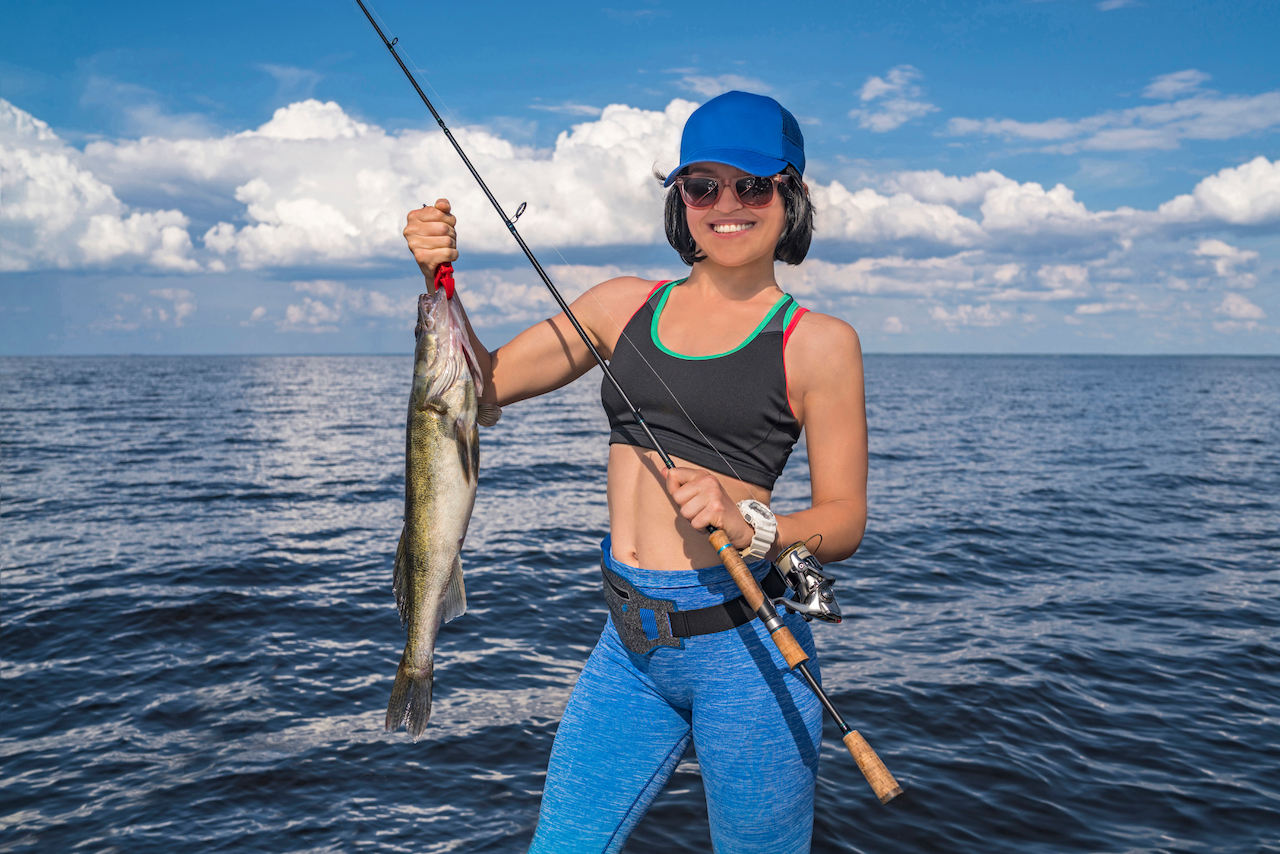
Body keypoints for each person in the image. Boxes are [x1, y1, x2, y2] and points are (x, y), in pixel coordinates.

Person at [402, 91, 867, 853]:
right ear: (680, 199)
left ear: (792, 196)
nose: (728, 204)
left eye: (753, 185)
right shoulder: (621, 305)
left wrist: (755, 522)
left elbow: (846, 519)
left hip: (750, 655)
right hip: (628, 648)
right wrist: (438, 278)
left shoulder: (819, 343)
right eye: (703, 184)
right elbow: (480, 392)